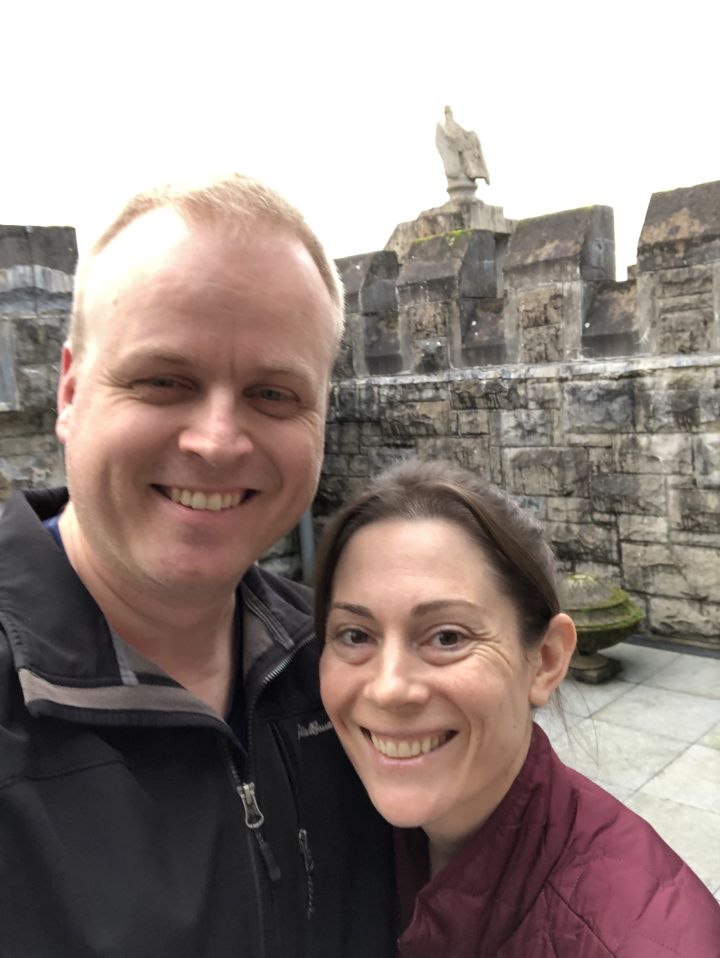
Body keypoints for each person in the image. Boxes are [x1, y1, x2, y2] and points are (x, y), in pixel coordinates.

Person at [0, 174, 395, 957]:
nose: (217, 441)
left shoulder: (345, 665)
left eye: (273, 394)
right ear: (70, 392)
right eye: (163, 381)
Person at [315, 459, 720, 958]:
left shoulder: (642, 941)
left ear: (546, 660)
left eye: (448, 637)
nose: (388, 688)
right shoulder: (348, 833)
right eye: (355, 635)